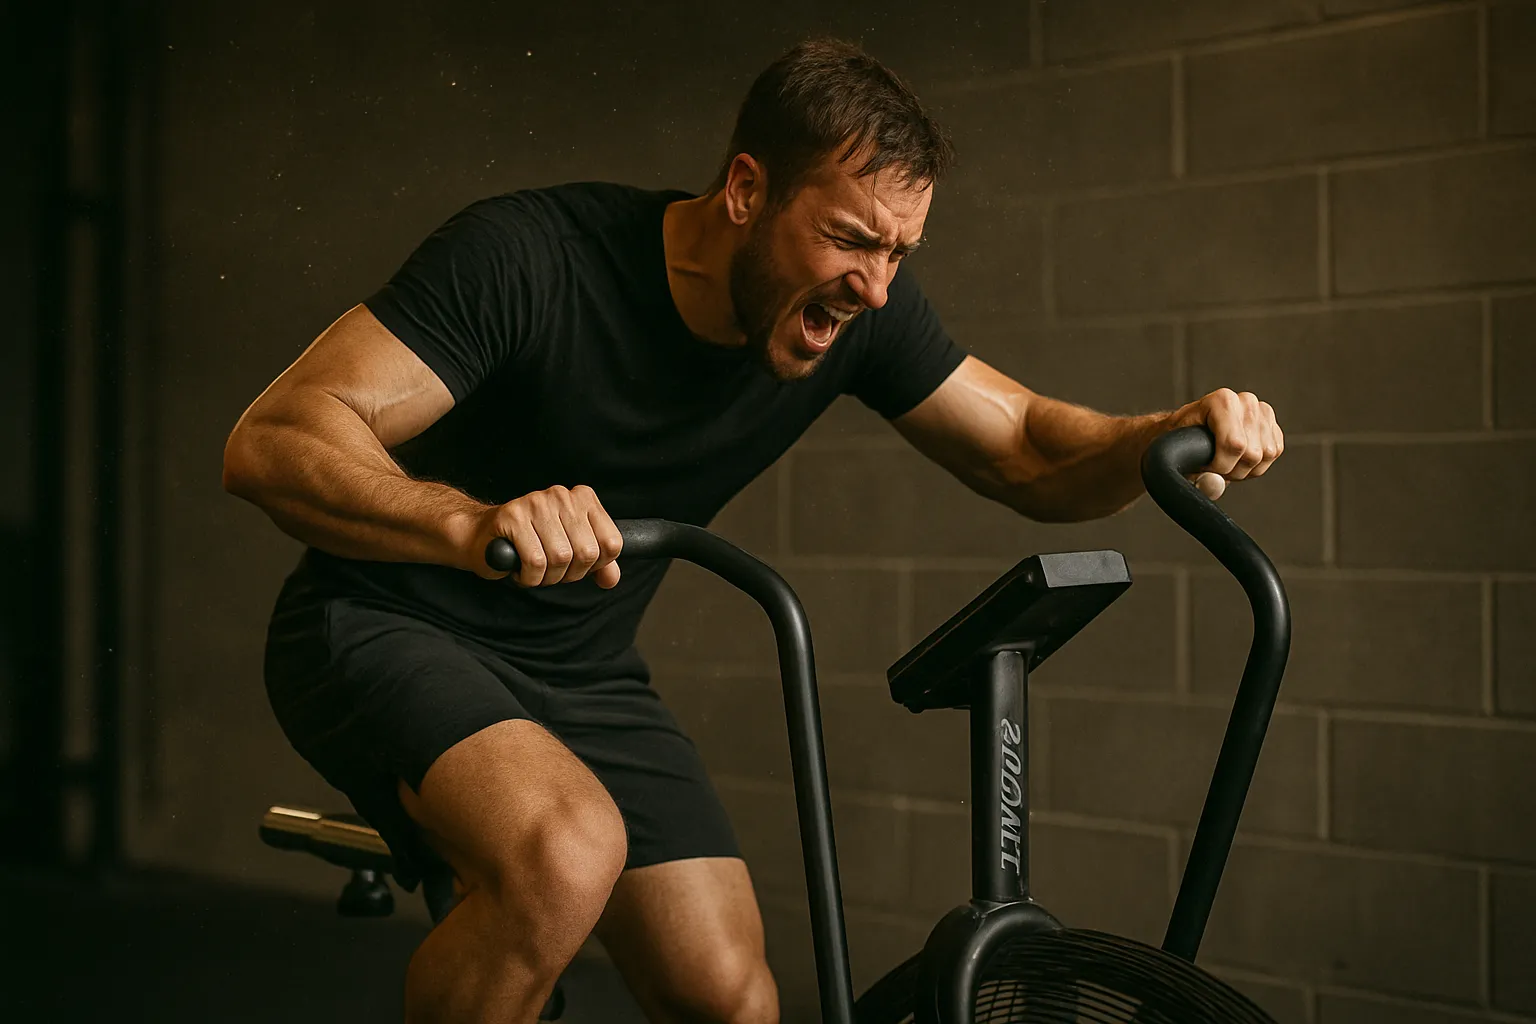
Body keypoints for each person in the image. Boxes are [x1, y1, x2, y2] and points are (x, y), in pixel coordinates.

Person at [223, 37, 1284, 1024]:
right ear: (744, 191)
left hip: (579, 670)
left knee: (734, 1000)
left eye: (900, 252)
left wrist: (1168, 432)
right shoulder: (531, 257)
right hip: (384, 620)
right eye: (852, 239)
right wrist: (469, 521)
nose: (874, 286)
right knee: (564, 854)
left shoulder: (855, 308)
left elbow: (1026, 448)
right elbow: (275, 436)